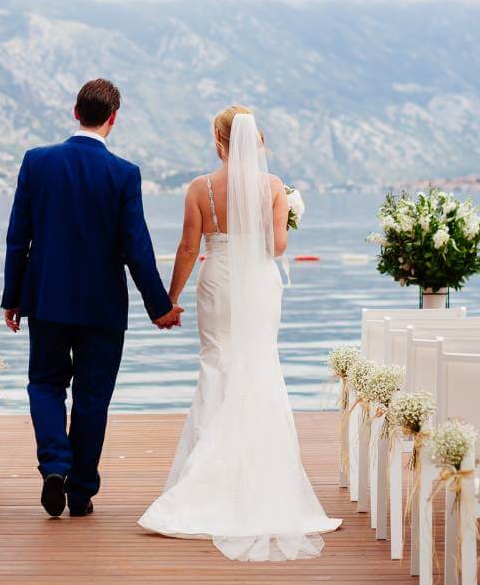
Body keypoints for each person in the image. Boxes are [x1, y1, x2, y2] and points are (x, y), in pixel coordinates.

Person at [138, 106, 341, 560]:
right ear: (259, 142)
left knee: (217, 366)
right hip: (259, 284)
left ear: (218, 139)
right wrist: (282, 215)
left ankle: (205, 481)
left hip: (218, 282)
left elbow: (189, 246)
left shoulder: (199, 188)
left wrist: (169, 299)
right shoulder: (272, 188)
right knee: (260, 365)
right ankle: (261, 481)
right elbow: (277, 246)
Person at [2, 78, 182, 518]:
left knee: (44, 385)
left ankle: (55, 467)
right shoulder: (123, 173)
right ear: (113, 119)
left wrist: (13, 296)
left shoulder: (37, 162)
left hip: (45, 299)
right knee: (92, 397)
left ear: (74, 112)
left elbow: (17, 237)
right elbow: (135, 247)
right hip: (102, 307)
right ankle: (80, 491)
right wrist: (160, 307)